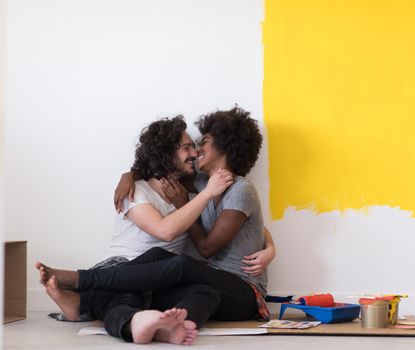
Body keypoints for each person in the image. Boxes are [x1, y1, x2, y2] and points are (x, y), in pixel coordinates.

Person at [37, 107, 270, 345]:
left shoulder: (240, 189)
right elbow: (163, 163)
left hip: (245, 291)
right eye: (190, 146)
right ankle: (175, 326)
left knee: (179, 264)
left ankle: (81, 282)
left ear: (225, 145)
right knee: (180, 276)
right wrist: (130, 174)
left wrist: (271, 247)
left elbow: (208, 247)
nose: (197, 150)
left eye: (205, 142)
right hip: (205, 283)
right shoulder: (202, 183)